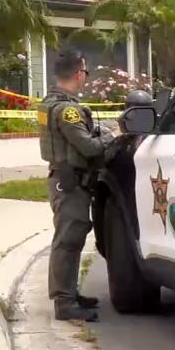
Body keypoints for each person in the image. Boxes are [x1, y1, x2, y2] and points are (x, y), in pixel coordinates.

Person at [38, 50, 115, 321]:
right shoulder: (68, 110)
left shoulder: (50, 103)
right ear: (78, 73)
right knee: (68, 241)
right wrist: (110, 136)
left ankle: (69, 293)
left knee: (71, 238)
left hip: (64, 179)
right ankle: (64, 302)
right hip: (69, 183)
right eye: (86, 72)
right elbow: (90, 146)